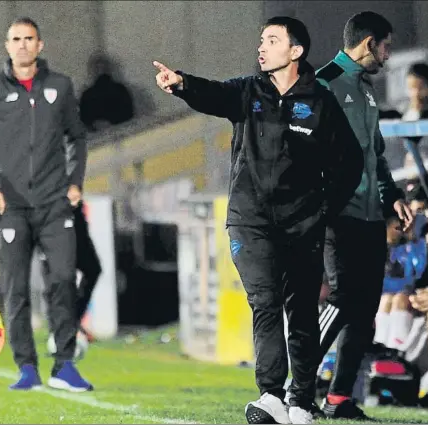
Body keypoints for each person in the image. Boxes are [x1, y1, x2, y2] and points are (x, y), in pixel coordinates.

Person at [154, 16, 363, 424]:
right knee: (264, 302)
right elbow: (212, 95)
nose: (261, 47)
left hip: (303, 224)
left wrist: (324, 208)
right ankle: (270, 395)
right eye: (261, 40)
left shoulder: (321, 101)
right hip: (249, 222)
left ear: (296, 51)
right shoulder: (247, 91)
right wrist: (181, 83)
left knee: (302, 312)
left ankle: (301, 400)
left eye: (271, 40)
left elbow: (350, 162)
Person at [0, 17, 91, 392]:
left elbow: (77, 136)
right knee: (15, 289)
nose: (23, 44)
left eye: (29, 38)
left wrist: (75, 183)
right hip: (8, 206)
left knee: (62, 281)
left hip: (54, 203)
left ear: (40, 45)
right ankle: (26, 367)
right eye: (16, 39)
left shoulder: (60, 86)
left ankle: (64, 364)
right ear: (7, 45)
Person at [314, 11, 414, 419]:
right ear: (369, 42)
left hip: (372, 214)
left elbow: (375, 154)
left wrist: (392, 197)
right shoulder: (322, 84)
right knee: (340, 299)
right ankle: (290, 387)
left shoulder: (367, 89)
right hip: (339, 212)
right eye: (387, 46)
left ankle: (339, 398)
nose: (389, 55)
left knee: (365, 309)